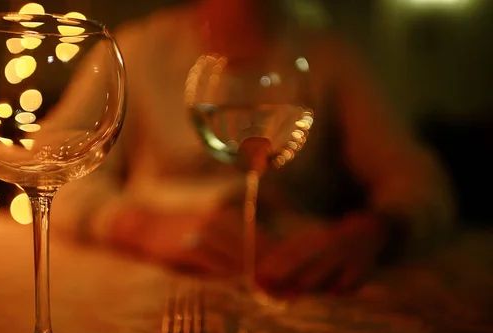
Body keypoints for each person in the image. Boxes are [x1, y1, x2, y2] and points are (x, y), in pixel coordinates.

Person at [52, 0, 455, 294]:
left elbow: (418, 179)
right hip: (155, 287)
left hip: (288, 284)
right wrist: (139, 226)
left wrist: (372, 231)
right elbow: (50, 164)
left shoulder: (327, 51)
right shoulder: (137, 47)